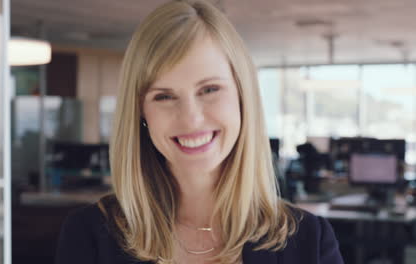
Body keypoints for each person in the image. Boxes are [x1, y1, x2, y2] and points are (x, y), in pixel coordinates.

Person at [55, 0, 344, 263]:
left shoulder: (309, 241)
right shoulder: (89, 236)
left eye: (209, 89)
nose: (191, 119)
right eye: (164, 96)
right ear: (141, 113)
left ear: (243, 98)